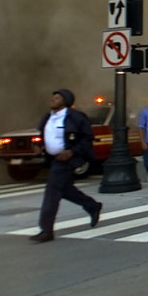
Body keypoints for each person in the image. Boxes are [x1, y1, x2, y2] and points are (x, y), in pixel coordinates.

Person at [30, 89, 103, 243]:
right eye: (53, 97)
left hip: (68, 159)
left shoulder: (76, 117)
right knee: (65, 190)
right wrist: (41, 146)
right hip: (54, 159)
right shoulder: (47, 117)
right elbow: (42, 135)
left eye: (57, 98)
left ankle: (46, 230)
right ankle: (92, 206)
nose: (53, 100)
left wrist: (71, 152)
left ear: (66, 101)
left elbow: (87, 138)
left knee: (52, 192)